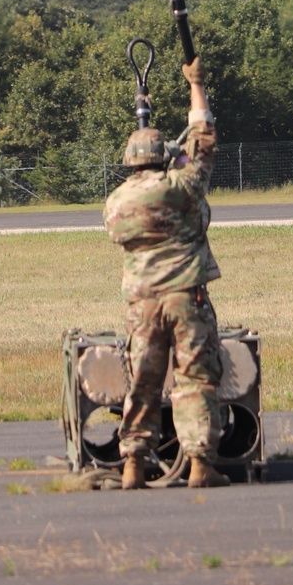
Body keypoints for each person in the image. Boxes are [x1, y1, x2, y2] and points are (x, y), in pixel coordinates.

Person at [103, 56, 230, 490]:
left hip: (142, 303)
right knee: (195, 378)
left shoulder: (116, 202)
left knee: (143, 381)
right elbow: (204, 138)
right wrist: (196, 86)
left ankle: (134, 463)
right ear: (163, 157)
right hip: (185, 298)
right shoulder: (182, 187)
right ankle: (198, 463)